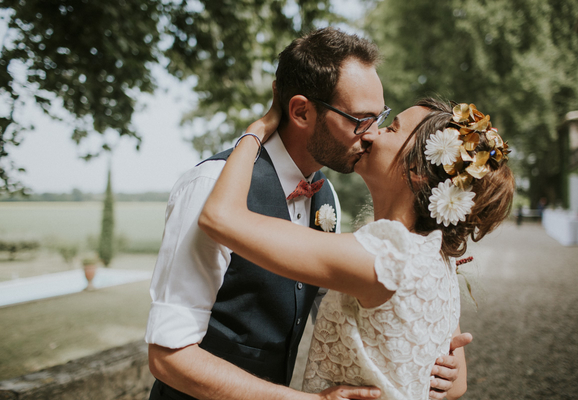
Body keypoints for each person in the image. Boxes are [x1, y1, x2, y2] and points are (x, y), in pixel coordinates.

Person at [146, 27, 468, 400]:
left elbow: (349, 312)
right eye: (360, 119)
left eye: (381, 119)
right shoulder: (209, 186)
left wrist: (428, 347)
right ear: (300, 111)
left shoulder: (326, 196)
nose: (372, 134)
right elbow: (168, 356)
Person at [199, 96, 514, 399]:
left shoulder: (387, 255)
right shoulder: (434, 253)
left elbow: (220, 217)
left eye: (391, 129)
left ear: (417, 172)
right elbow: (456, 386)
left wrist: (257, 131)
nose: (372, 132)